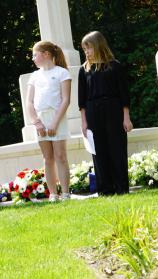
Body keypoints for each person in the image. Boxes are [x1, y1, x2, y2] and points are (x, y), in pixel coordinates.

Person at [78, 31, 133, 195]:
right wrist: (84, 122)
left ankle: (121, 187)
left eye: (89, 48)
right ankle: (105, 189)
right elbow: (81, 99)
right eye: (84, 49)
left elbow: (124, 94)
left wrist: (126, 118)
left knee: (117, 149)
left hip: (114, 110)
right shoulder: (84, 70)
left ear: (98, 46)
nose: (86, 52)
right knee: (99, 151)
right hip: (93, 112)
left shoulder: (115, 66)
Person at [26, 41, 72, 202]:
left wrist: (54, 123)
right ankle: (53, 193)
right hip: (41, 119)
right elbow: (29, 102)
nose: (33, 58)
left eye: (35, 54)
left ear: (46, 54)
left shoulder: (62, 73)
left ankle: (65, 192)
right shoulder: (34, 75)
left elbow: (66, 100)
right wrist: (37, 122)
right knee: (48, 158)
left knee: (60, 156)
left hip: (57, 117)